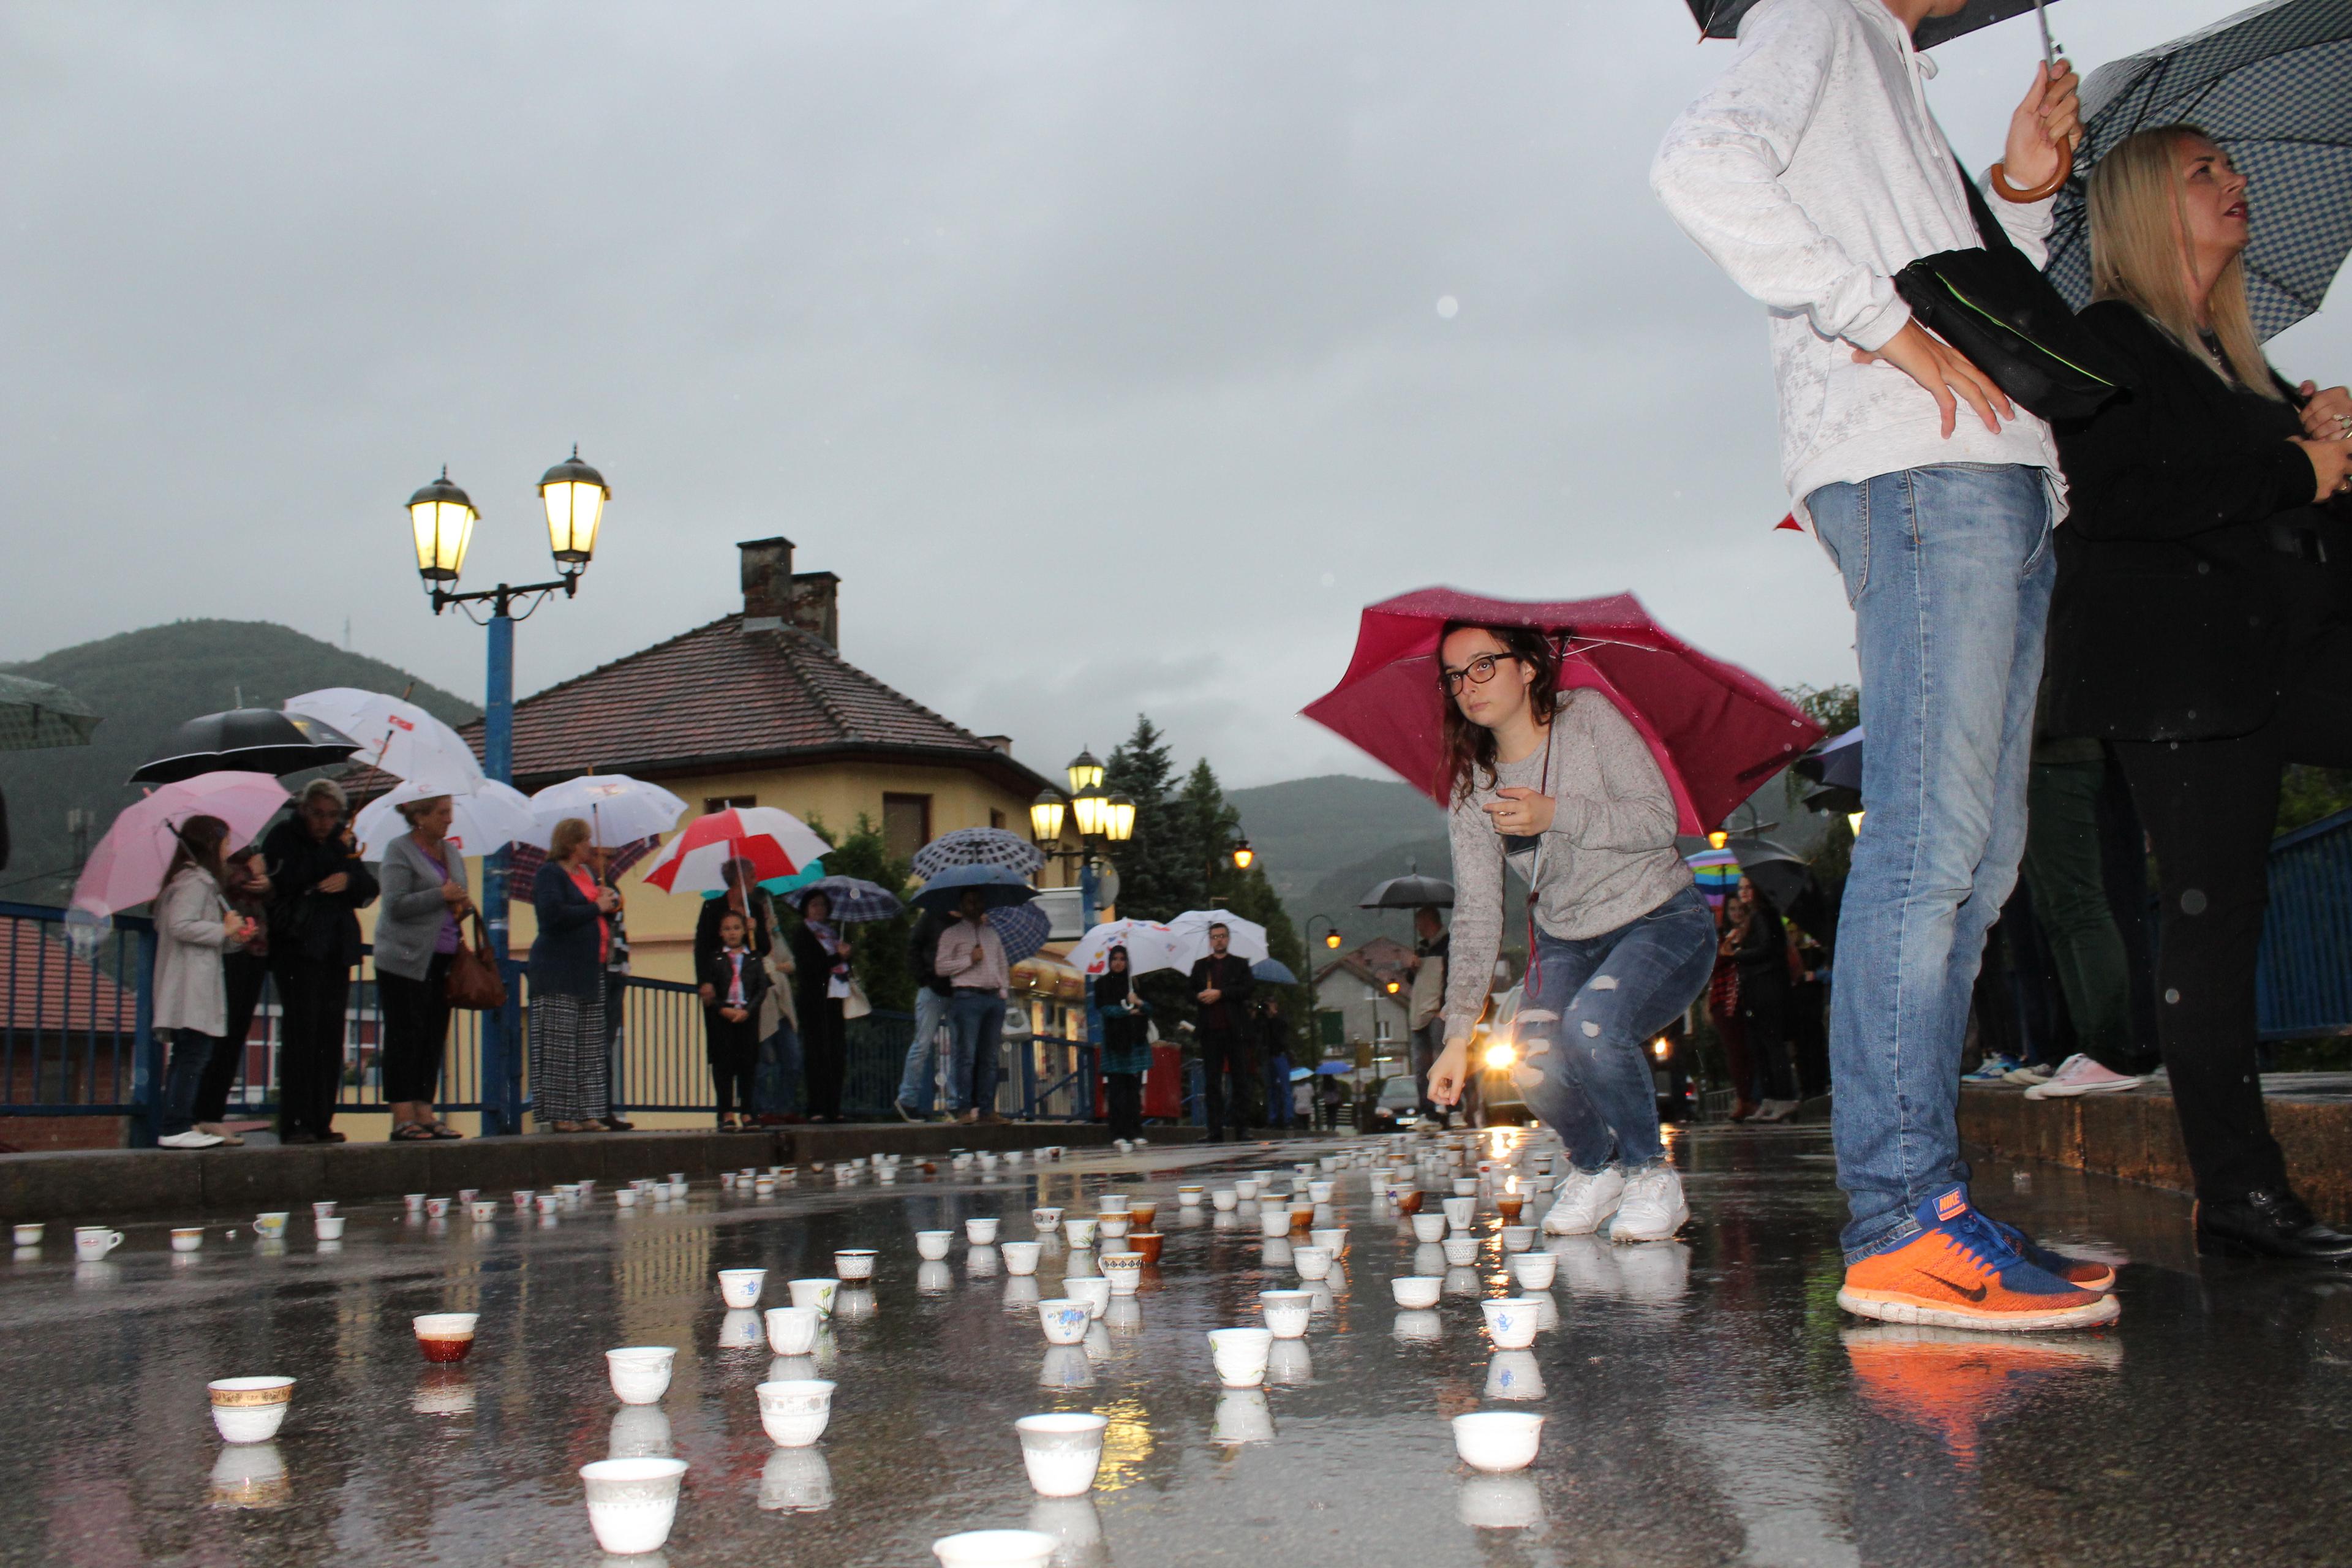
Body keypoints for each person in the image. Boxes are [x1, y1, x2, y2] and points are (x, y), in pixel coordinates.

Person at [1653, 0, 2119, 1327]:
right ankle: (1905, 1215)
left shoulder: (1889, 67)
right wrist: (1875, 323)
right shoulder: (1825, 16)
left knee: (1979, 855)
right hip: (1925, 472)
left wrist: (2021, 185)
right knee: (1932, 848)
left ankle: (1931, 1205)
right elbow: (1701, 163)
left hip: (1989, 474)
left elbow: (1965, 288)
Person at [2044, 125, 2352, 1261]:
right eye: (2205, 172)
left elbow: (2293, 516)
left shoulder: (2245, 362)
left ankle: (2241, 1191)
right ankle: (2240, 1192)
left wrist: (2331, 443)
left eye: (2235, 166)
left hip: (2284, 652)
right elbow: (2118, 497)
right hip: (2178, 676)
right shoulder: (2107, 342)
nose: (2237, 183)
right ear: (2141, 207)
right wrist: (2290, 463)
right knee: (2215, 918)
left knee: (2222, 915)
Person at [1425, 622, 1716, 1244]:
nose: (1467, 686)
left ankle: (1650, 1175)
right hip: (1565, 940)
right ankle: (1596, 1167)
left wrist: (1555, 815)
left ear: (1529, 666)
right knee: (1530, 1061)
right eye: (1454, 676)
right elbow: (1477, 912)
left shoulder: (1587, 718)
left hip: (1661, 918)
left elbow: (1656, 819)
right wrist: (1456, 1035)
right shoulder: (1473, 788)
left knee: (1592, 1027)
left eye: (1483, 665)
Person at [262, 779, 378, 1145]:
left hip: (336, 947)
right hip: (298, 945)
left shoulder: (343, 842)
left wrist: (347, 877)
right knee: (302, 1033)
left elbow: (367, 888)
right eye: (318, 814)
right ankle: (295, 1121)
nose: (325, 822)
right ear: (304, 810)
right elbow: (287, 878)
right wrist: (334, 861)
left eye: (332, 816)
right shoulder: (283, 836)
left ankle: (322, 1119)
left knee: (330, 1036)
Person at [373, 794, 471, 1140]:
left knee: (432, 1034)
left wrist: (463, 903)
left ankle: (426, 1111)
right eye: (443, 813)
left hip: (443, 955)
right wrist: (441, 896)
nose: (449, 820)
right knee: (405, 1033)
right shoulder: (399, 851)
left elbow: (458, 893)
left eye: (450, 812)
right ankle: (402, 1115)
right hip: (404, 958)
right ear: (420, 816)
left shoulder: (452, 852)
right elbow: (396, 904)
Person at [153, 815, 253, 1149]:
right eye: (225, 842)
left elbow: (205, 935)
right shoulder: (193, 882)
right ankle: (176, 1125)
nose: (229, 850)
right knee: (192, 1055)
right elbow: (181, 925)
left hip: (196, 982)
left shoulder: (200, 882)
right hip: (188, 985)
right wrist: (222, 930)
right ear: (212, 845)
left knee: (192, 1054)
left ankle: (181, 1122)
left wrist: (234, 937)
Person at [529, 816, 617, 1132]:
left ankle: (587, 1110)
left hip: (589, 969)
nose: (589, 847)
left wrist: (605, 899)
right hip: (558, 970)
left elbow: (593, 906)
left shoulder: (587, 874)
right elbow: (552, 916)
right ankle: (561, 1114)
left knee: (589, 1044)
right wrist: (596, 908)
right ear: (570, 843)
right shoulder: (550, 874)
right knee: (559, 1044)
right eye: (585, 841)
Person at [190, 843, 270, 1144]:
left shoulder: (252, 849)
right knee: (214, 1033)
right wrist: (250, 870)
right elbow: (217, 886)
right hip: (224, 950)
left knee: (236, 1033)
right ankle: (196, 1115)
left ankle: (213, 1114)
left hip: (255, 947)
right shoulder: (207, 858)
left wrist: (266, 879)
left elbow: (267, 897)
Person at [1726, 878, 1800, 1122]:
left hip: (1766, 987)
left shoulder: (1763, 916)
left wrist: (1738, 954)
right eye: (1741, 888)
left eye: (1748, 887)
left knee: (1771, 1044)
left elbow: (1768, 948)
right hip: (1758, 987)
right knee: (1761, 1046)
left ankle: (1783, 1098)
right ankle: (1770, 1099)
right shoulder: (1754, 918)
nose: (1744, 892)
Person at [935, 889, 1009, 1124]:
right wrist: (969, 959)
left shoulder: (992, 935)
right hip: (967, 997)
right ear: (961, 905)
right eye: (969, 901)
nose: (974, 905)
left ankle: (987, 1110)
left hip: (992, 998)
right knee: (965, 1056)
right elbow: (941, 967)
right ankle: (963, 1108)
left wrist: (1002, 991)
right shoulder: (951, 934)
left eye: (978, 901)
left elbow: (1002, 964)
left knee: (990, 1058)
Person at [701, 908, 769, 1130]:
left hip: (746, 1015)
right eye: (727, 929)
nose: (732, 933)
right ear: (721, 933)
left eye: (737, 928)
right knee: (724, 1064)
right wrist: (723, 1009)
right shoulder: (715, 959)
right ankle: (726, 1113)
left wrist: (748, 1010)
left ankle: (748, 1112)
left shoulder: (753, 957)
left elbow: (761, 988)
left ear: (744, 931)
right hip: (725, 1015)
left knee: (747, 1064)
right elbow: (712, 990)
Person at [1187, 922, 1255, 1140]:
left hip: (1235, 1030)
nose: (1219, 940)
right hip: (1210, 1031)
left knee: (1240, 1080)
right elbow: (1189, 992)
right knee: (1212, 1082)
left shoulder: (1240, 965)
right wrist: (1200, 996)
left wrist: (1221, 993)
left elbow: (1247, 989)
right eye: (1215, 937)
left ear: (1228, 939)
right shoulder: (1201, 967)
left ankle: (1241, 1129)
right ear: (1210, 940)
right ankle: (1214, 1130)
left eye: (1222, 936)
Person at [790, 889, 853, 1123]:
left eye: (823, 905)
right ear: (806, 908)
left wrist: (845, 956)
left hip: (834, 999)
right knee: (816, 1053)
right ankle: (816, 1107)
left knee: (836, 1053)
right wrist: (838, 958)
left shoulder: (832, 935)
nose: (820, 910)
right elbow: (810, 966)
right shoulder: (803, 933)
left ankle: (833, 1106)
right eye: (815, 905)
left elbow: (840, 967)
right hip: (813, 1001)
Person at [590, 843, 636, 1131]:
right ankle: (598, 1107)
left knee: (607, 1039)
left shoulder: (609, 885)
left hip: (617, 967)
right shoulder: (590, 888)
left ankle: (604, 1106)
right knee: (598, 1041)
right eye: (605, 856)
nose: (609, 861)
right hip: (603, 968)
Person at [895, 905, 953, 1121]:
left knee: (951, 1047)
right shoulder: (931, 917)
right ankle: (908, 1099)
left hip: (955, 989)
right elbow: (913, 947)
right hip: (934, 988)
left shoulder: (960, 921)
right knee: (922, 1045)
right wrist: (923, 978)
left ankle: (954, 1102)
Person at [1096, 946, 1151, 1141]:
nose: (1118, 963)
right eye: (1115, 959)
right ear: (1109, 961)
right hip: (1115, 1043)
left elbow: (1150, 1008)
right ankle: (1117, 1132)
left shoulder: (1135, 983)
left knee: (1133, 1090)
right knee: (1117, 1091)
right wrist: (1127, 1011)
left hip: (1135, 1041)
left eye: (1122, 959)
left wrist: (1139, 1002)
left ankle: (1135, 1131)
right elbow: (1104, 1008)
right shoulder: (1102, 983)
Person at [1405, 905, 1450, 1126]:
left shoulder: (1448, 945)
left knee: (1441, 1060)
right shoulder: (1422, 949)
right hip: (1420, 1014)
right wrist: (1412, 969)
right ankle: (1428, 1112)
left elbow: (1451, 977)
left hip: (1437, 1011)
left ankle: (1450, 1108)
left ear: (1429, 922)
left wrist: (1445, 1007)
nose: (1418, 928)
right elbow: (1413, 981)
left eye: (1419, 923)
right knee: (1422, 1066)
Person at [1259, 993, 1292, 1131]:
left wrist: (1274, 1016)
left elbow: (1284, 1029)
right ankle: (1272, 1119)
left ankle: (1288, 1119)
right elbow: (1261, 1032)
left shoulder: (1281, 1018)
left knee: (1285, 1088)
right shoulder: (1265, 1020)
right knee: (1271, 1088)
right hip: (1269, 1056)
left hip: (1280, 1055)